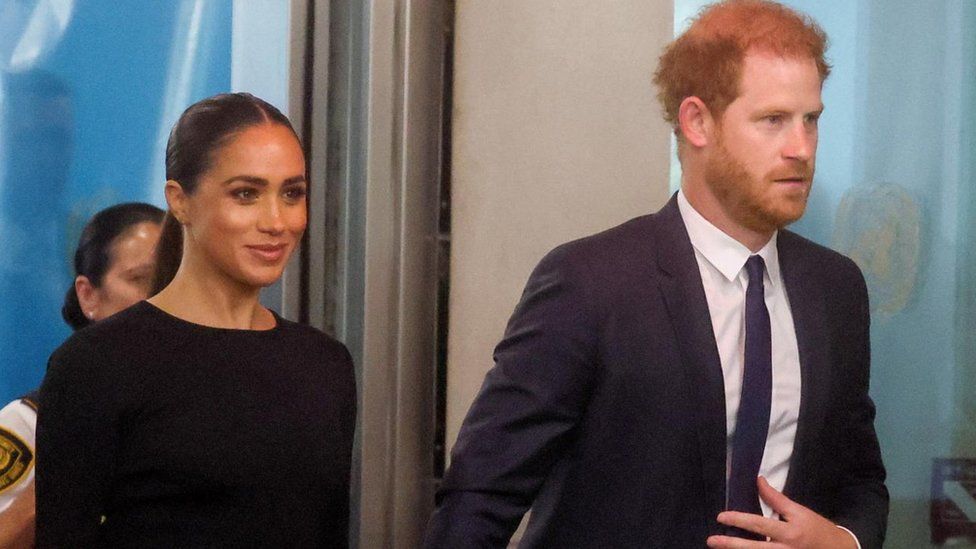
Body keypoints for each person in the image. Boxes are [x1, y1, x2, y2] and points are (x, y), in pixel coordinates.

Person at [423, 1, 888, 547]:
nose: (801, 149)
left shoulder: (836, 290)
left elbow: (861, 480)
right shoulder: (589, 284)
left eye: (811, 119)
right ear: (697, 122)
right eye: (773, 120)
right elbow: (480, 496)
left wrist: (843, 541)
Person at [36, 93, 356, 547]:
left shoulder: (325, 365)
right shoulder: (97, 366)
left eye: (292, 193)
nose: (275, 221)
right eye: (246, 194)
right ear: (180, 201)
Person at [0, 202, 163, 548]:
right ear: (89, 295)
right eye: (139, 279)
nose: (159, 298)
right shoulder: (29, 424)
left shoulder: (197, 412)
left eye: (170, 282)